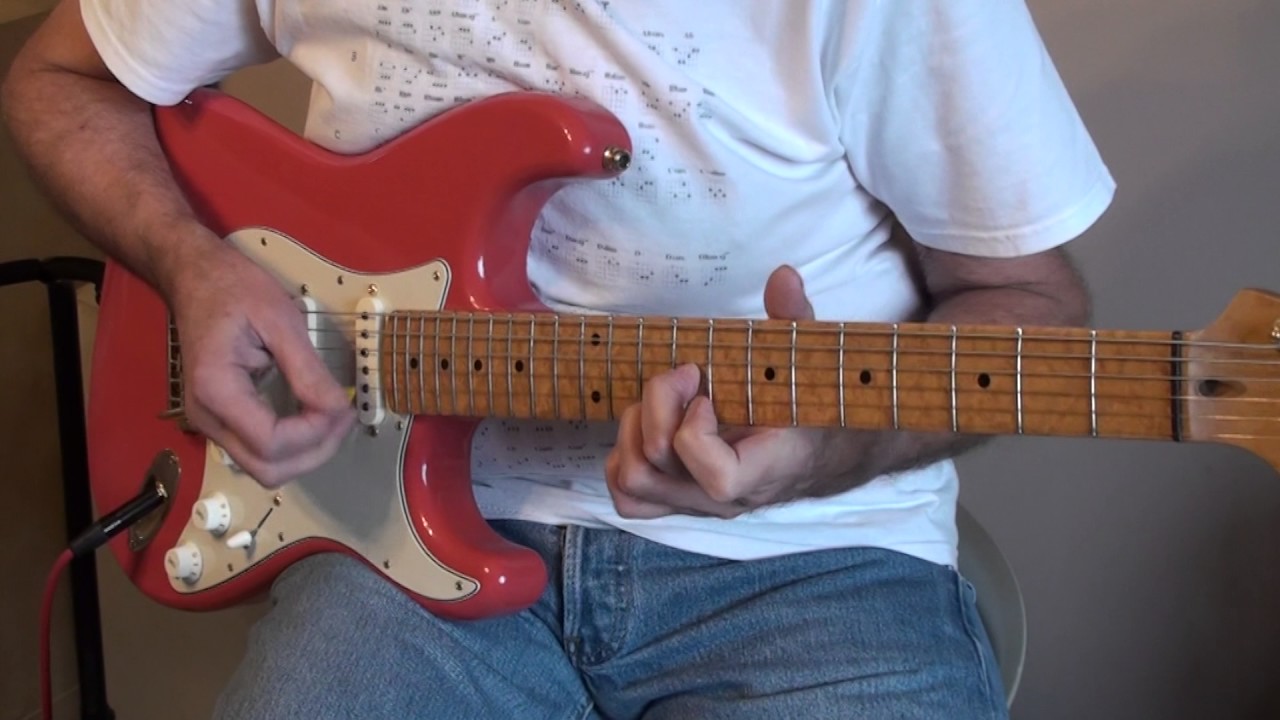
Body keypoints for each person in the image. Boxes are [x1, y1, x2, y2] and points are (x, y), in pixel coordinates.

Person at [2, 0, 1111, 717]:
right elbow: (57, 79)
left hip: (811, 563)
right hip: (393, 540)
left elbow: (1031, 307)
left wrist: (815, 452)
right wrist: (190, 264)